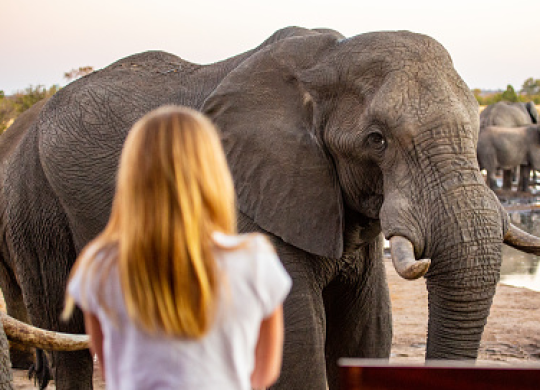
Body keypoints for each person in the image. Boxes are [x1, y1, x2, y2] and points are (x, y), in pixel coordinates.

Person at [62, 105, 292, 390]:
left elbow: (110, 368)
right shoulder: (255, 259)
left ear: (131, 175)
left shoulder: (99, 262)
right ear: (213, 171)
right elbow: (265, 372)